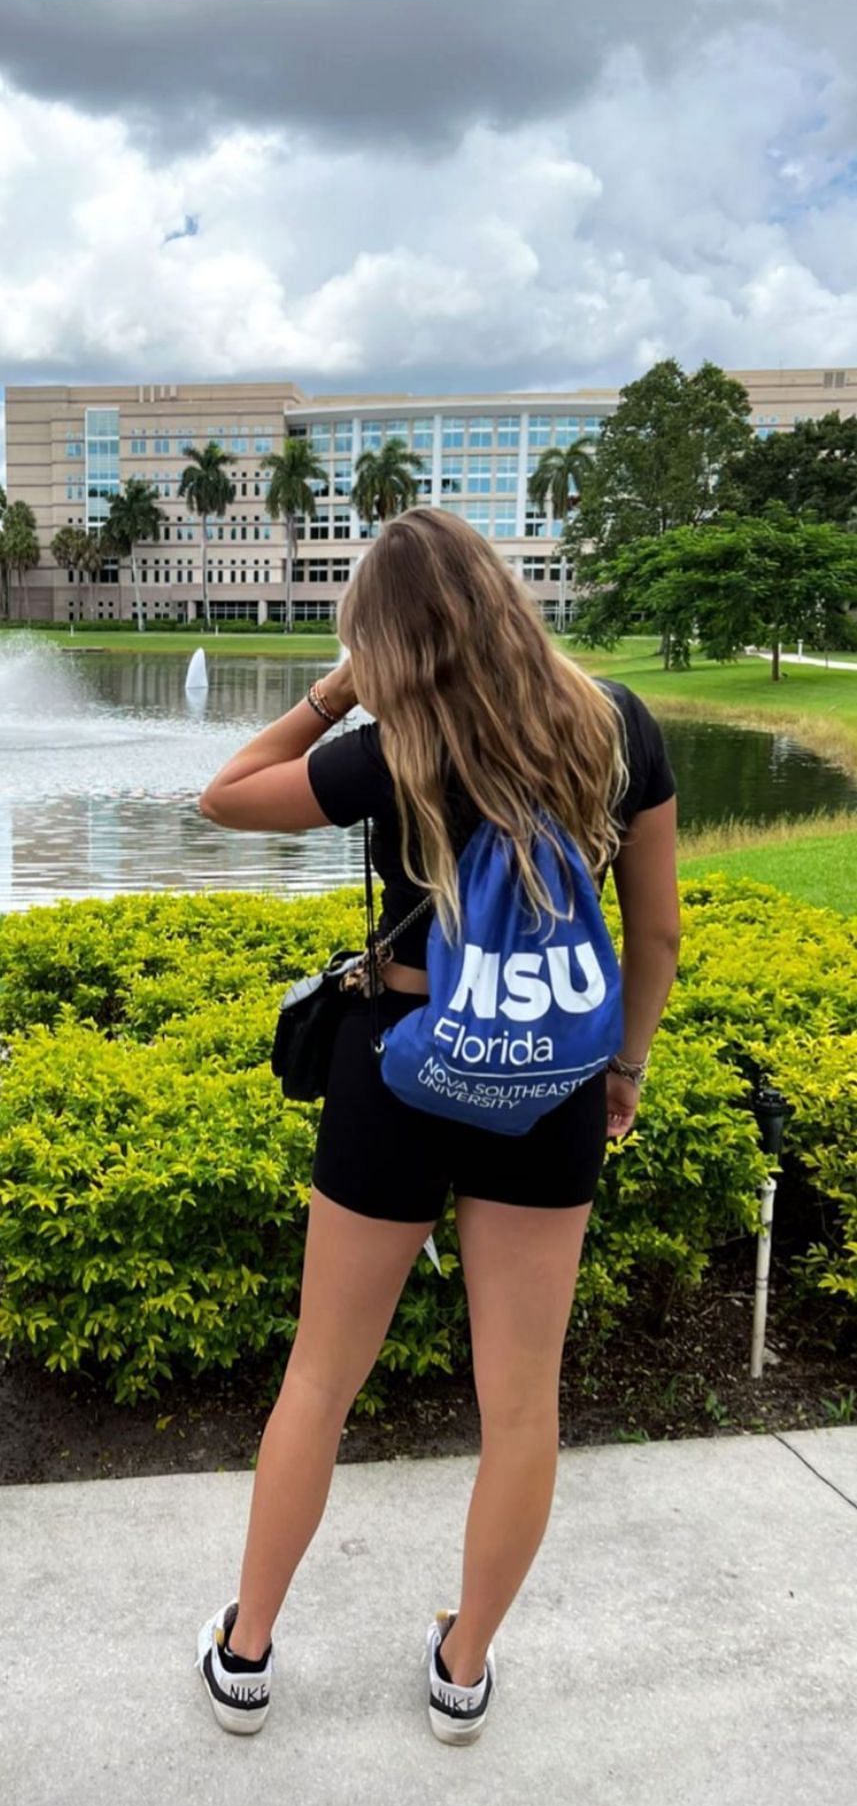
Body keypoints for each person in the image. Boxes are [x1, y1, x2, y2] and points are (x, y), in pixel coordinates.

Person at [195, 505, 680, 1740]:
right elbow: (655, 935)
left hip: (397, 1074)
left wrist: (330, 694)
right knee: (521, 1400)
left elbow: (223, 794)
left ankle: (245, 1653)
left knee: (319, 1378)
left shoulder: (391, 745)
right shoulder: (615, 724)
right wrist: (620, 1067)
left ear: (386, 637)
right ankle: (461, 1669)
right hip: (552, 1085)